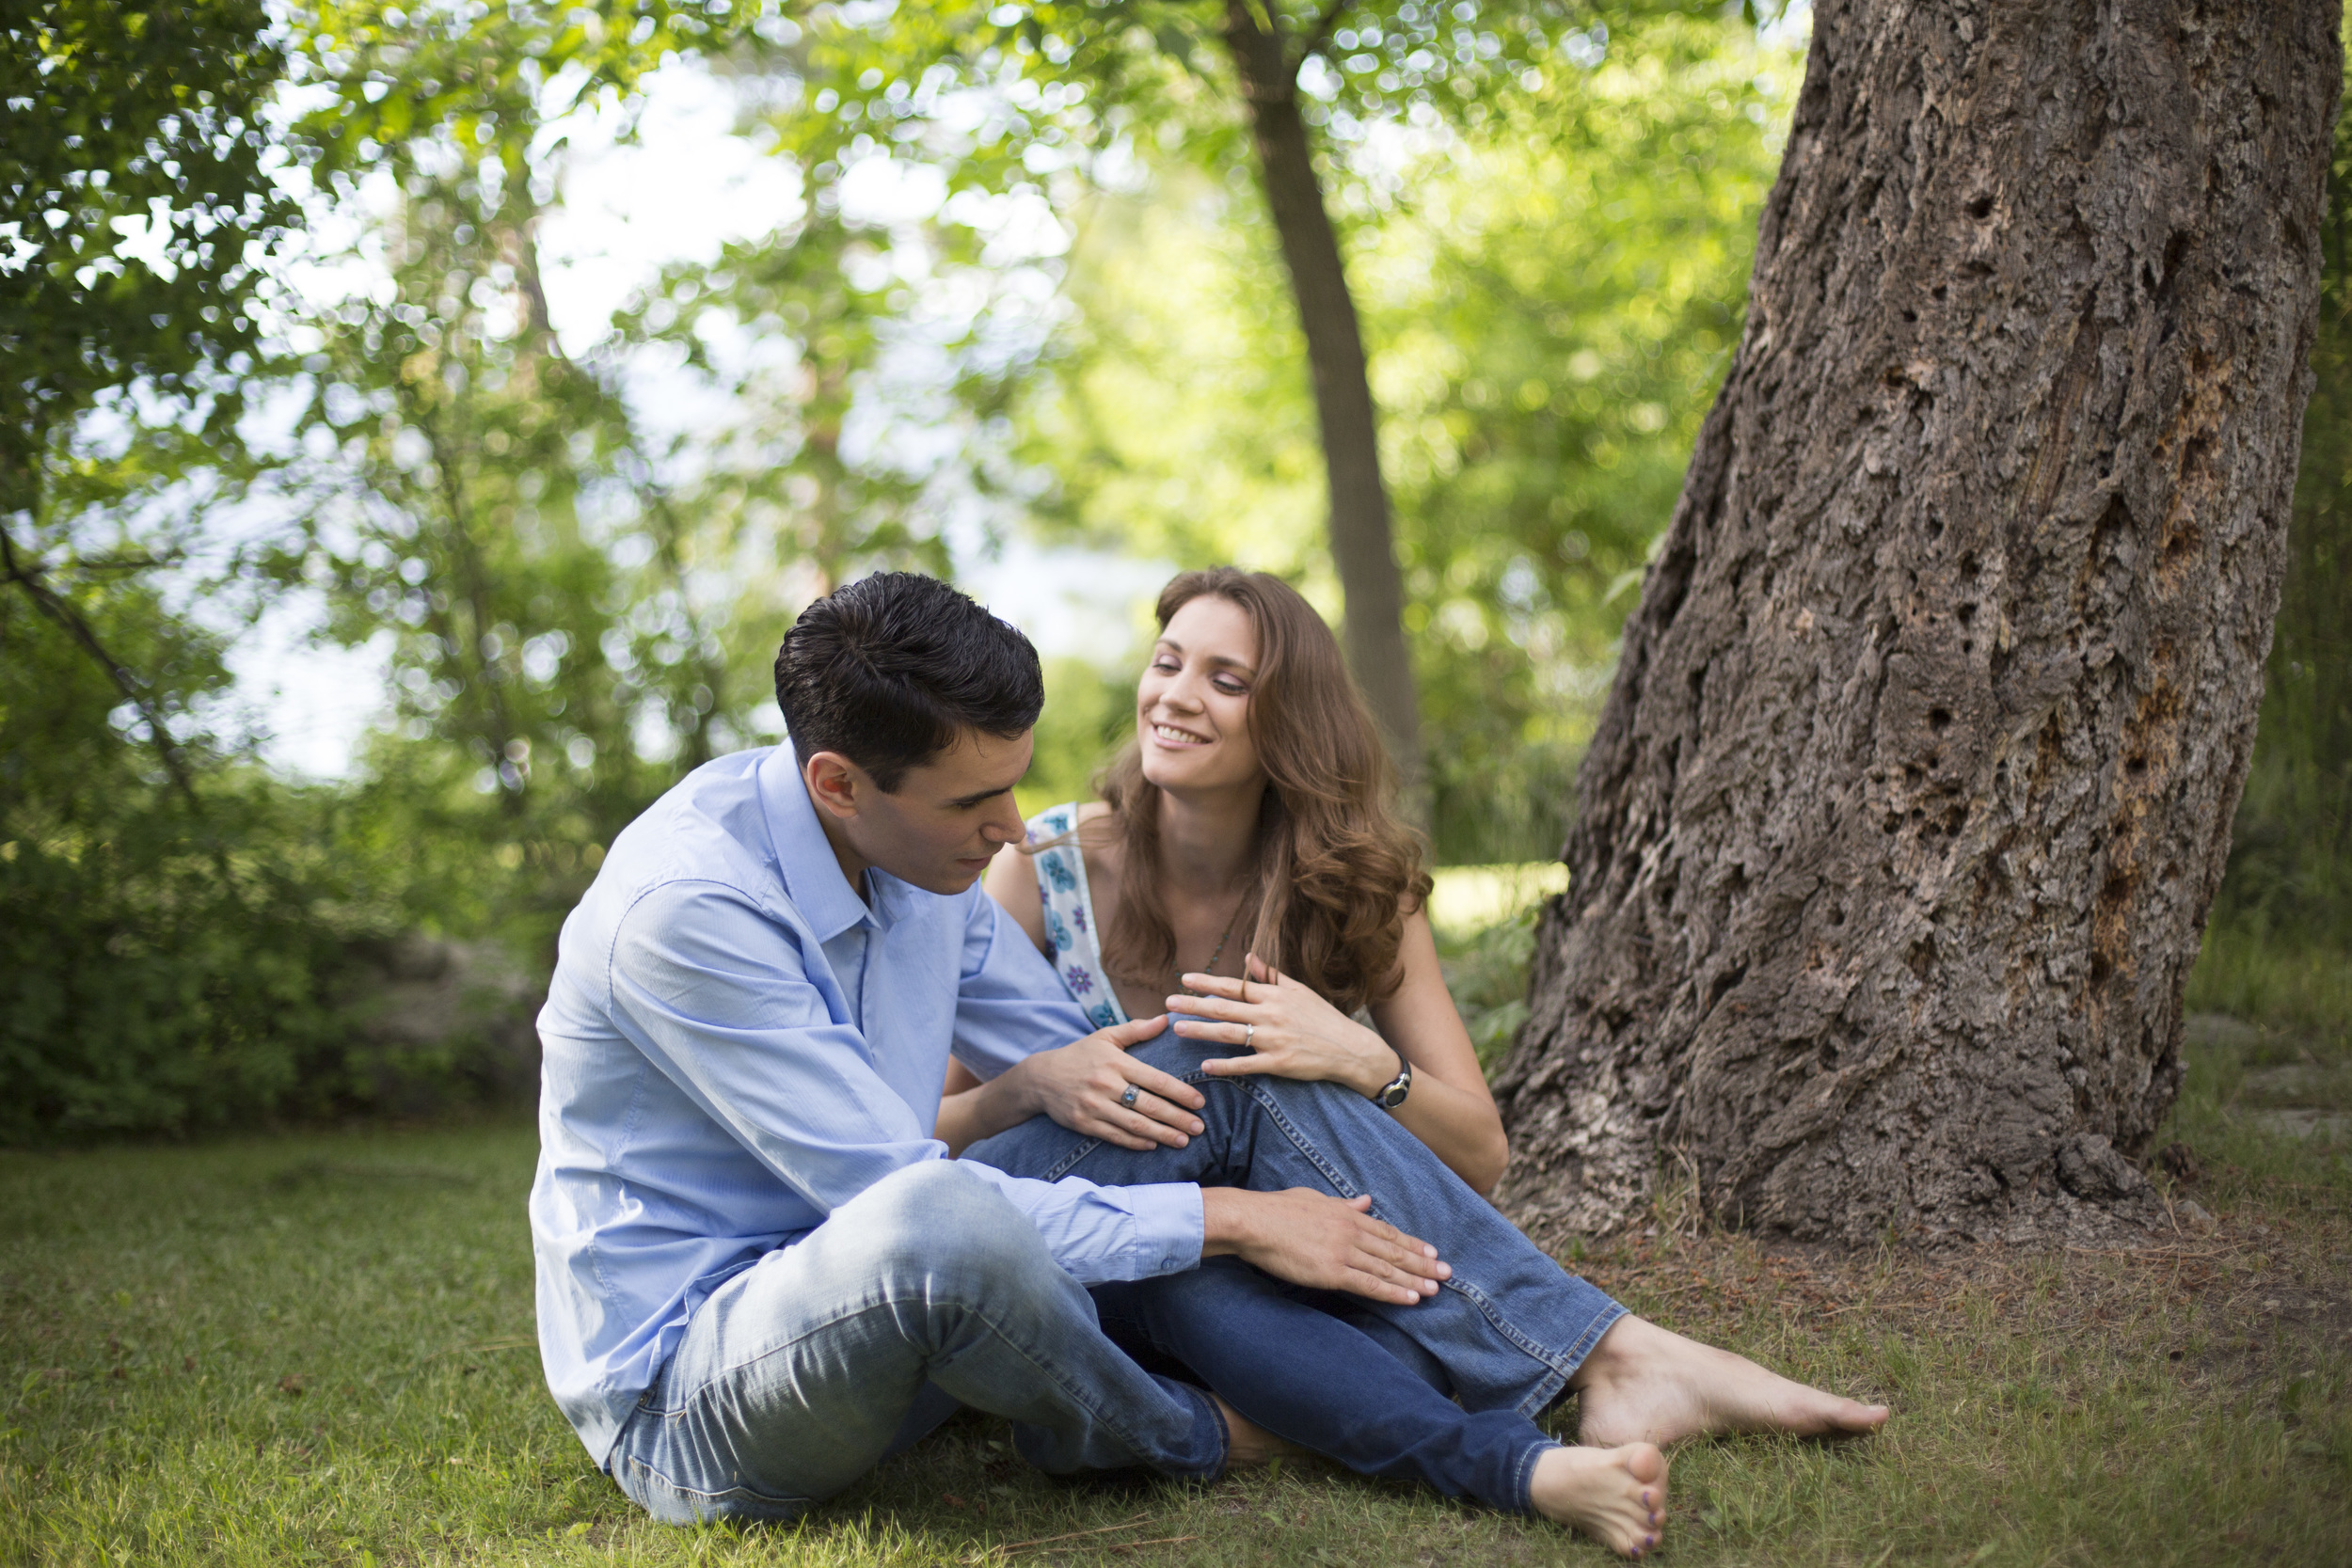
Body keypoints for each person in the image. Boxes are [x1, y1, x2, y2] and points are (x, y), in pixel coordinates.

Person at [937, 568, 1887, 1552]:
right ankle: (1592, 1358)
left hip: (1251, 1256)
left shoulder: (1354, 883)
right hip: (1074, 1240)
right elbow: (927, 1147)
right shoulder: (1042, 868)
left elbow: (1478, 1152)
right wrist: (1032, 1082)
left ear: (1291, 723)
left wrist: (1357, 1057)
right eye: (1167, 661)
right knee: (1225, 1079)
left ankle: (1451, 1444)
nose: (1174, 694)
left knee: (1206, 1278)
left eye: (1225, 679)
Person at [529, 572, 1467, 1529]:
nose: (1014, 829)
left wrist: (1098, 1088)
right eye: (975, 801)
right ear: (838, 784)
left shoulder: (913, 850)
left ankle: (1544, 1343)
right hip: (699, 1390)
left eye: (1013, 784)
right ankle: (1190, 1430)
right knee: (947, 1217)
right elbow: (897, 1203)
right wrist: (1237, 1215)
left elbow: (1123, 1088)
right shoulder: (688, 909)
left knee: (1188, 1056)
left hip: (903, 1314)